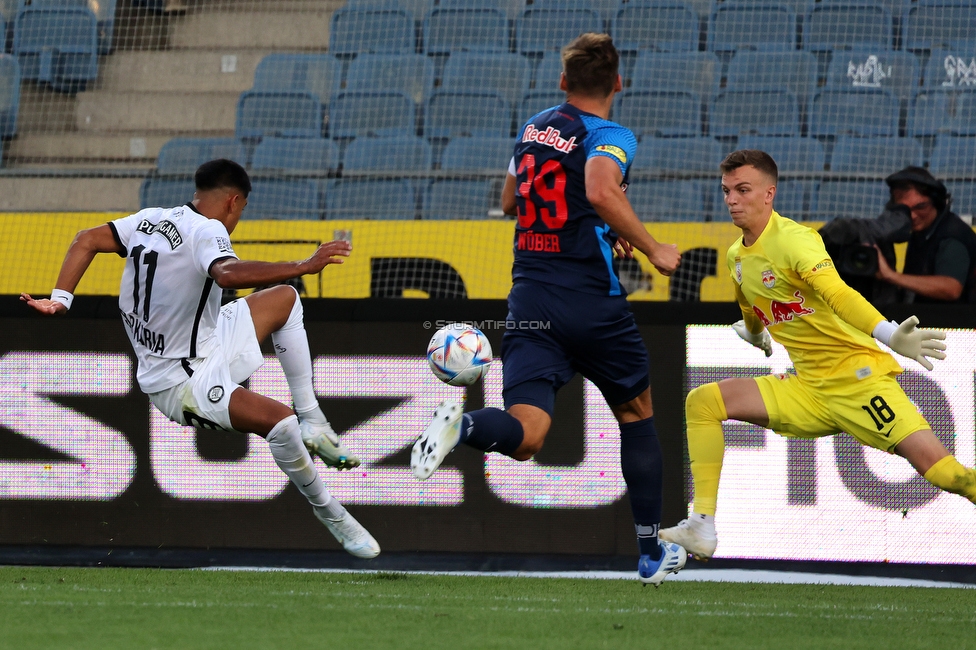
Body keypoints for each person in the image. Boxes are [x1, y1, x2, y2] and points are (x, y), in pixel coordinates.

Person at [410, 34, 686, 586]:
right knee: (636, 414)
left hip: (531, 301)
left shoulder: (534, 126)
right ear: (618, 84)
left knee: (527, 433)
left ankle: (461, 426)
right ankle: (651, 552)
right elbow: (602, 190)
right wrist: (653, 247)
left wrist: (600, 226)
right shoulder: (610, 134)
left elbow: (513, 202)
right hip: (591, 302)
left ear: (563, 82)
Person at [21, 159, 380, 559]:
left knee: (286, 299)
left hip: (207, 340)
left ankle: (314, 419)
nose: (238, 218)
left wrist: (61, 299)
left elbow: (84, 239)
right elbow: (226, 275)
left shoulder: (149, 218)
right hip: (180, 381)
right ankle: (331, 512)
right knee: (280, 424)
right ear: (233, 201)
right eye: (241, 210)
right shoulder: (207, 230)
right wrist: (302, 265)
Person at [659, 150, 975, 561]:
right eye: (726, 191)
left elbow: (839, 294)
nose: (732, 200)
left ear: (769, 193)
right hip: (808, 389)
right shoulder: (737, 256)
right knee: (703, 402)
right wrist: (755, 335)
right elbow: (750, 309)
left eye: (742, 190)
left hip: (859, 382)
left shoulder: (795, 240)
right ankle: (701, 525)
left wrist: (890, 334)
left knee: (947, 474)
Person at [874, 166, 976, 303]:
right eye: (904, 209)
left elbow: (951, 289)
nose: (913, 216)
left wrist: (891, 276)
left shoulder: (952, 236)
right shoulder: (920, 232)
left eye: (920, 207)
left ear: (937, 203)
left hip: (957, 323)